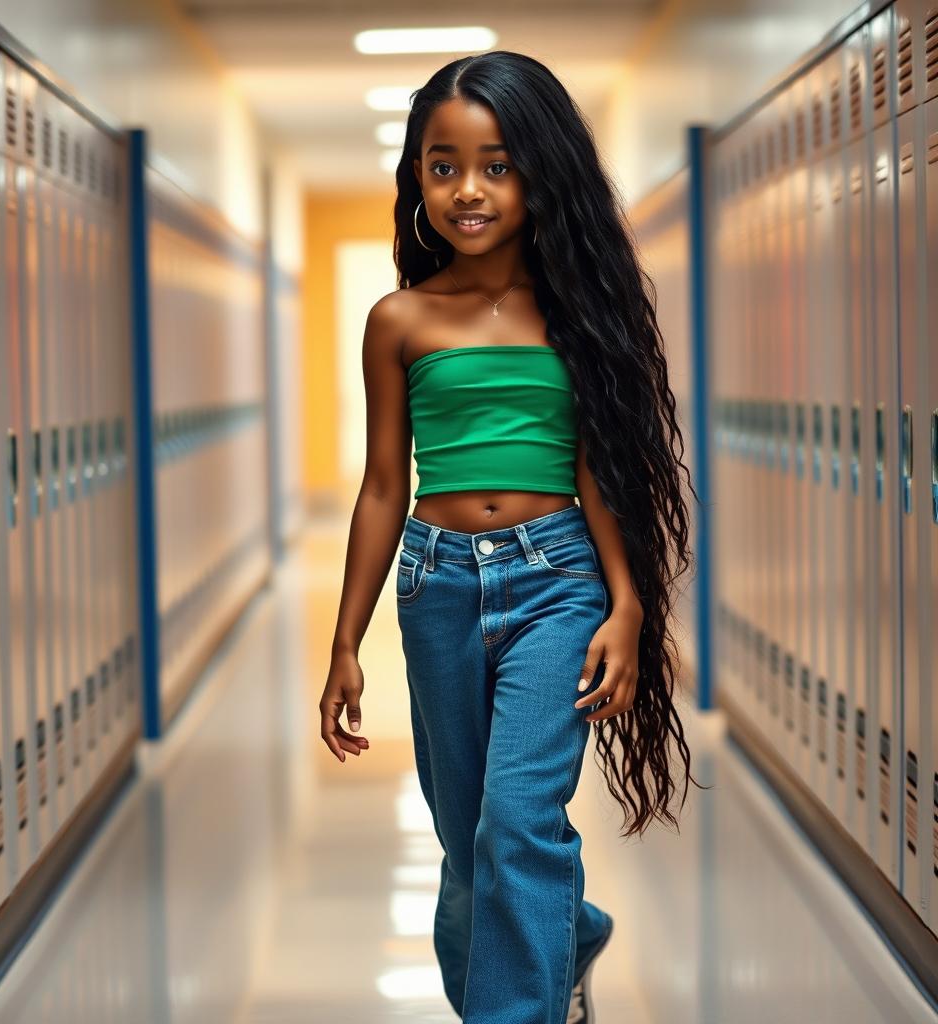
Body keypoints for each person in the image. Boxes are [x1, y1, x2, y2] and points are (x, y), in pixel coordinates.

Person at [318, 50, 706, 1024]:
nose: (469, 190)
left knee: (515, 822)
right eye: (442, 165)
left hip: (558, 580)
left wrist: (626, 603)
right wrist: (342, 643)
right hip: (436, 583)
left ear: (538, 171)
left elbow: (599, 471)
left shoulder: (576, 311)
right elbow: (379, 487)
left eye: (496, 164)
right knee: (467, 842)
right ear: (416, 177)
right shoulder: (398, 318)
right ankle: (566, 934)